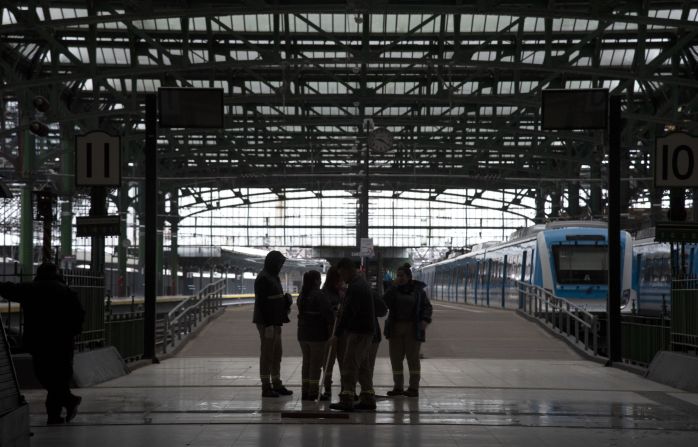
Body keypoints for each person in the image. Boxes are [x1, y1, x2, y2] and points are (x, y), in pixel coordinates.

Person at [0, 263, 84, 424]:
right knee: (60, 377)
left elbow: (9, 289)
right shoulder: (67, 291)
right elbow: (79, 315)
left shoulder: (31, 289)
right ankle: (58, 410)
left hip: (39, 341)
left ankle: (62, 408)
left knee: (46, 376)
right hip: (62, 341)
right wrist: (72, 331)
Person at [329, 258, 376, 412]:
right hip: (365, 331)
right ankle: (368, 398)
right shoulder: (360, 284)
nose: (341, 277)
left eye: (341, 273)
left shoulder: (355, 287)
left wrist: (337, 334)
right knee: (362, 366)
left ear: (348, 270)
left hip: (358, 332)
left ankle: (347, 399)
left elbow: (348, 314)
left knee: (350, 365)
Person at [382, 263, 433, 397]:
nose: (399, 278)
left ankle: (413, 387)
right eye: (398, 276)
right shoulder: (393, 290)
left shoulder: (418, 291)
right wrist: (392, 287)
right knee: (395, 358)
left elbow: (427, 307)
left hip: (413, 328)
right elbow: (384, 302)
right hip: (395, 328)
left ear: (409, 277)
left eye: (402, 276)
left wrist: (425, 320)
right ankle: (398, 387)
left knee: (413, 358)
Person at [253, 250, 293, 397]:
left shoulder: (273, 276)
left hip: (276, 322)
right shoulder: (263, 278)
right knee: (267, 355)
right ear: (272, 262)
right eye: (279, 263)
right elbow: (262, 303)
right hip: (267, 323)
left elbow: (275, 298)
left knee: (277, 354)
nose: (281, 266)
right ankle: (266, 387)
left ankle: (276, 383)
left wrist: (285, 302)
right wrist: (268, 324)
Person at [297, 270, 334, 401]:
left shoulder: (302, 295)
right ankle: (313, 392)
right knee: (315, 365)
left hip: (302, 335)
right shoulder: (319, 295)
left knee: (306, 363)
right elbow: (328, 313)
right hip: (317, 335)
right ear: (316, 281)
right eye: (319, 279)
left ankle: (305, 391)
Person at [319, 266, 345, 401]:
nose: (341, 282)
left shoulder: (343, 292)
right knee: (328, 361)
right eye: (339, 279)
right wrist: (335, 311)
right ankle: (327, 388)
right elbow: (326, 311)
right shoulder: (325, 293)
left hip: (343, 331)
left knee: (344, 361)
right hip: (330, 330)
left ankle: (345, 388)